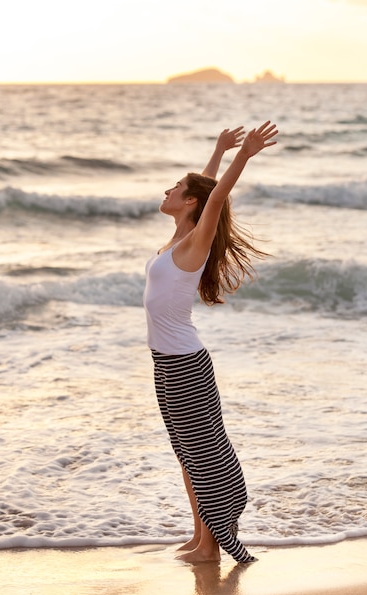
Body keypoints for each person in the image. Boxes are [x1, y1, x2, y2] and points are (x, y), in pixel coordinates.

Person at [143, 121, 278, 564]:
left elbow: (213, 197)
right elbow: (203, 192)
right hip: (166, 362)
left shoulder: (195, 242)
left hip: (184, 363)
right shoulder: (180, 237)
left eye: (174, 188)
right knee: (186, 454)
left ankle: (212, 545)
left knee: (201, 455)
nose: (167, 191)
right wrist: (217, 151)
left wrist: (243, 156)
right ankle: (200, 536)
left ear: (189, 202)